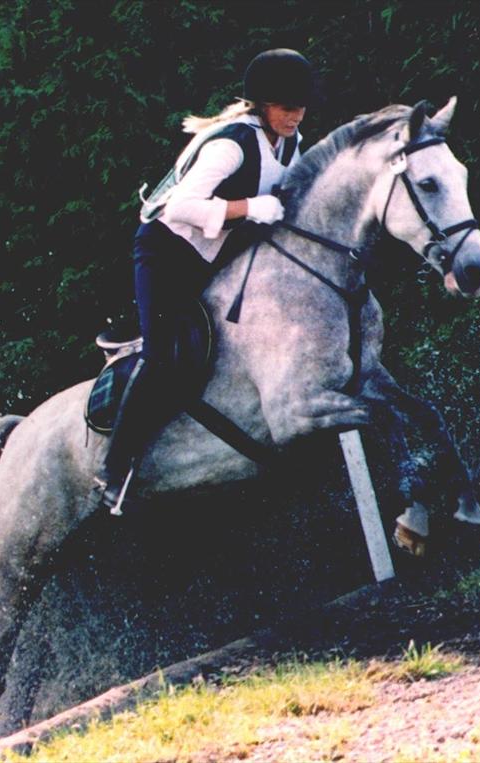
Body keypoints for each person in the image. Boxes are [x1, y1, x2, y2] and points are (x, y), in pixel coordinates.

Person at [94, 48, 314, 511]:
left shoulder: (291, 144)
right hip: (166, 253)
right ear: (262, 105)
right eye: (286, 106)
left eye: (300, 106)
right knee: (162, 357)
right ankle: (114, 468)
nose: (295, 115)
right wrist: (249, 207)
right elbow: (181, 207)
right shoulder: (231, 144)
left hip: (218, 256)